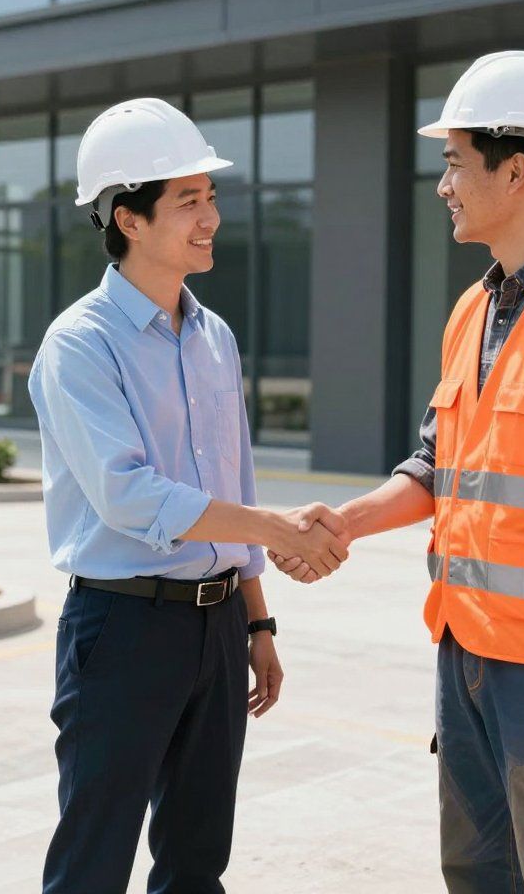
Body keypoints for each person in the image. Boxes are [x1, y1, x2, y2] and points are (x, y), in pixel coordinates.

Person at [271, 52, 524, 893]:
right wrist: (344, 523)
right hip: (465, 652)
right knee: (478, 875)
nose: (444, 184)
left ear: (518, 169)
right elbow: (437, 467)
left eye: (456, 161)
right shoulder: (475, 307)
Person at [29, 98, 348, 894]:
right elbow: (131, 496)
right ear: (128, 218)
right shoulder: (80, 343)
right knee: (93, 862)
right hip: (122, 627)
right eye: (189, 201)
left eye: (211, 197)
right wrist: (276, 526)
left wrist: (258, 618)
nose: (211, 217)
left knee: (198, 860)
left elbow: (228, 482)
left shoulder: (213, 336)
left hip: (214, 631)